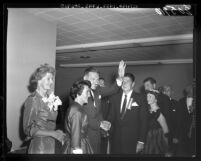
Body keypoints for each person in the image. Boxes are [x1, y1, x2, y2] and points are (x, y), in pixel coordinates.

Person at [82, 60, 126, 154]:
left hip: (96, 135)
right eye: (93, 79)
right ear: (85, 78)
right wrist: (100, 124)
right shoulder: (77, 93)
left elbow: (112, 90)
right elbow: (82, 115)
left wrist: (120, 77)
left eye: (97, 79)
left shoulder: (96, 90)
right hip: (84, 136)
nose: (96, 82)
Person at [23, 64, 66, 154]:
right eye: (48, 79)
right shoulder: (33, 100)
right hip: (40, 146)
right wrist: (52, 133)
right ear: (39, 80)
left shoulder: (49, 98)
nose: (51, 82)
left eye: (52, 79)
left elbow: (49, 122)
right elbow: (28, 129)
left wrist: (56, 132)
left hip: (51, 142)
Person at [108, 73, 147, 154]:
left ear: (133, 84)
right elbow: (111, 117)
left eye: (127, 81)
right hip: (116, 140)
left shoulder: (140, 98)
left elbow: (144, 121)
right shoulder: (114, 98)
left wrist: (141, 141)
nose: (124, 83)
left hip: (133, 140)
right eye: (123, 81)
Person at [62, 80, 93, 154]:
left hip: (80, 142)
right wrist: (77, 150)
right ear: (78, 93)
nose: (89, 95)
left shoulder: (76, 107)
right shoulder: (76, 110)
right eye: (87, 92)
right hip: (79, 145)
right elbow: (76, 136)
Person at [143, 77, 171, 147]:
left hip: (159, 136)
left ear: (154, 85)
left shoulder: (164, 98)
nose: (146, 88)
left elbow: (167, 119)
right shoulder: (144, 99)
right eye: (144, 86)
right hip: (148, 137)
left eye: (148, 85)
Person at [144, 90, 169, 156]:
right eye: (147, 96)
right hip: (147, 139)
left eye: (150, 96)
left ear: (156, 99)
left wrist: (166, 150)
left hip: (156, 142)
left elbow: (166, 131)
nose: (147, 98)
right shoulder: (147, 111)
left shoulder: (159, 113)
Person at [176, 84, 195, 156]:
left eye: (191, 90)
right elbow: (179, 116)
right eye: (188, 90)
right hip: (184, 129)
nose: (189, 91)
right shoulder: (181, 101)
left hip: (194, 127)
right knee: (185, 148)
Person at [161, 85, 179, 155]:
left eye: (168, 90)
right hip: (161, 136)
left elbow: (178, 121)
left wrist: (176, 136)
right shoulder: (158, 103)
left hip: (172, 136)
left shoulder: (176, 104)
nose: (165, 92)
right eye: (164, 90)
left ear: (172, 92)